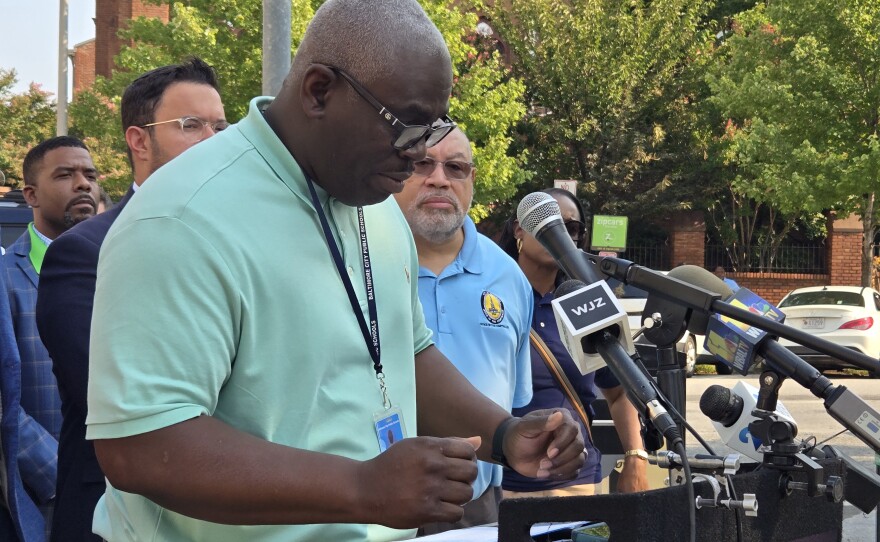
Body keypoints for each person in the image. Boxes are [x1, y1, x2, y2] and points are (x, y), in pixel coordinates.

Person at [84, 2, 585, 541]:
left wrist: (502, 433)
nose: (419, 154)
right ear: (319, 90)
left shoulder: (373, 202)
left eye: (434, 129)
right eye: (407, 127)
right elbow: (138, 447)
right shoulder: (181, 217)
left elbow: (406, 351)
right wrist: (361, 487)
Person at [35, 58, 226, 542]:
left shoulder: (247, 243)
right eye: (190, 125)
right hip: (114, 510)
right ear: (139, 141)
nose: (214, 140)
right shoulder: (83, 253)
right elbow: (117, 396)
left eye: (221, 127)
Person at [393, 128, 533, 533]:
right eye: (422, 163)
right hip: (374, 503)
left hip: (479, 507)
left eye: (455, 167)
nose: (439, 178)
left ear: (471, 181)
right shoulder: (359, 263)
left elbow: (515, 398)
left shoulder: (508, 275)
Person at [498, 187, 649, 498]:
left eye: (572, 228)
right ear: (518, 231)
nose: (560, 234)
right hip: (500, 485)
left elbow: (620, 392)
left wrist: (636, 456)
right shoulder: (491, 299)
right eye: (547, 222)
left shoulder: (586, 303)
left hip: (575, 483)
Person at [1, 135, 99, 532]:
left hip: (131, 491)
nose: (83, 184)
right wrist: (58, 474)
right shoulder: (5, 279)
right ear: (31, 195)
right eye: (65, 175)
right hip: (44, 503)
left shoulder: (120, 267)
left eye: (90, 174)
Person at [0, 269, 56, 542]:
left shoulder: (122, 263)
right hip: (40, 497)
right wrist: (58, 468)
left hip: (130, 496)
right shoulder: (6, 271)